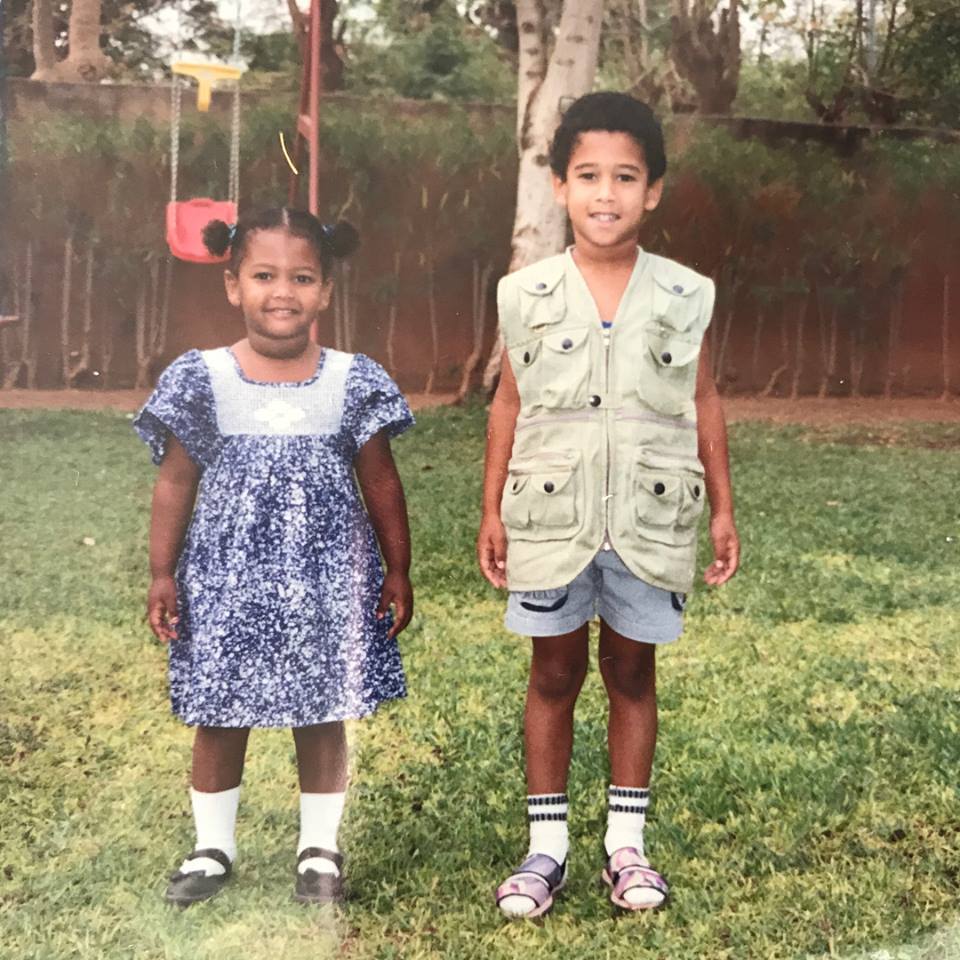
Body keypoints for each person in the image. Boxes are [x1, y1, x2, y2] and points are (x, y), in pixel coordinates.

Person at [477, 93, 740, 919]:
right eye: (588, 175)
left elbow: (704, 399)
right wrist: (491, 510)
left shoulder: (686, 294)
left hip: (650, 521)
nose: (606, 194)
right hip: (549, 518)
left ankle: (626, 846)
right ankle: (545, 850)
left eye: (625, 177)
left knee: (632, 670)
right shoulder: (524, 291)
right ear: (559, 185)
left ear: (653, 190)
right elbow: (508, 406)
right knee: (552, 673)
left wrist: (725, 509)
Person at [134, 207, 414, 907]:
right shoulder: (201, 377)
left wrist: (398, 568)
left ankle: (319, 849)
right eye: (263, 275)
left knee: (322, 713)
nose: (281, 292)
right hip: (227, 583)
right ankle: (211, 848)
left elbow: (380, 479)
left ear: (324, 292)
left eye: (301, 277)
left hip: (324, 584)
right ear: (232, 285)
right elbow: (175, 480)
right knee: (220, 713)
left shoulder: (353, 379)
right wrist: (162, 572)